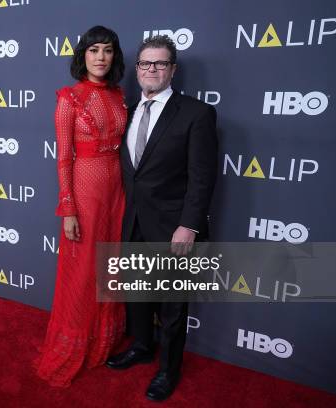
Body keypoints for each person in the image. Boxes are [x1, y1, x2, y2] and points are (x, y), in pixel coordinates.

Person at [105, 35, 218, 401]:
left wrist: (190, 226)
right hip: (133, 221)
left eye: (160, 63)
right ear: (137, 69)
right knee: (137, 296)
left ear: (172, 70)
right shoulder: (129, 109)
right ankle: (141, 347)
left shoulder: (196, 114)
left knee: (171, 306)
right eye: (145, 63)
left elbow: (202, 178)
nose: (151, 69)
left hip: (174, 228)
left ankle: (169, 369)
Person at [35, 26, 127, 387]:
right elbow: (63, 159)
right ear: (83, 56)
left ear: (114, 56)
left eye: (107, 50)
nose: (101, 57)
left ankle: (104, 341)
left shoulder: (120, 95)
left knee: (112, 263)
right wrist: (68, 209)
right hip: (86, 191)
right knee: (85, 269)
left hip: (118, 191)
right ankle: (78, 343)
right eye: (94, 50)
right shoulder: (69, 98)